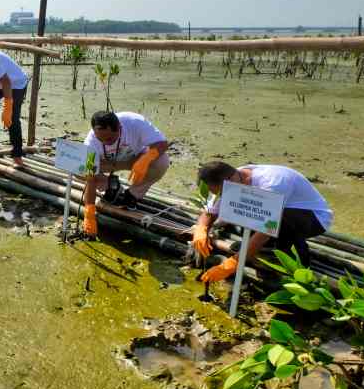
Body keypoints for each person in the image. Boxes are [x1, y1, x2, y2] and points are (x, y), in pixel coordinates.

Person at [193, 161, 334, 283]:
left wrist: (234, 262)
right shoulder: (233, 179)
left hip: (312, 218)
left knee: (279, 219)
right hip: (271, 215)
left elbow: (267, 227)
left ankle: (299, 259)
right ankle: (266, 249)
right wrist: (201, 228)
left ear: (230, 181)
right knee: (241, 209)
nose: (221, 196)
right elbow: (210, 211)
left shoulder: (273, 182)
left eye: (221, 192)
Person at [82, 111, 170, 236]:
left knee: (162, 161)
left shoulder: (134, 122)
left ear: (119, 128)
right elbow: (90, 180)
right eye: (100, 139)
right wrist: (89, 213)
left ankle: (133, 194)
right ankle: (111, 186)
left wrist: (146, 159)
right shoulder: (90, 143)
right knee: (80, 169)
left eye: (109, 139)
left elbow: (162, 143)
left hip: (135, 159)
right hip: (106, 163)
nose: (105, 143)